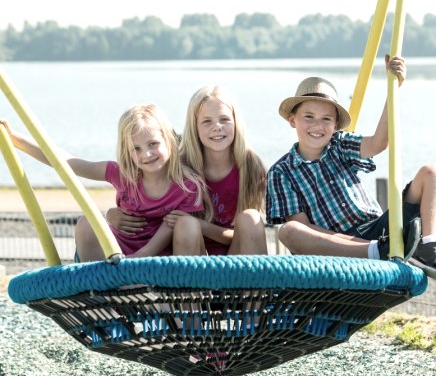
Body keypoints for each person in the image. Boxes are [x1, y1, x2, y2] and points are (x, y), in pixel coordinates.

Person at [266, 55, 436, 286]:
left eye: (326, 119)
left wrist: (393, 88)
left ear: (335, 126)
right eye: (309, 117)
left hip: (380, 230)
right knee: (289, 231)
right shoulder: (281, 171)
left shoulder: (339, 145)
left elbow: (379, 142)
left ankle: (429, 246)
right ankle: (378, 252)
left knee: (432, 172)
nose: (318, 125)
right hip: (337, 246)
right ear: (292, 120)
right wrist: (363, 246)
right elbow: (304, 228)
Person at [1, 103, 207, 261]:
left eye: (153, 144)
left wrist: (141, 257)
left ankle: (179, 307)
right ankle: (99, 299)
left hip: (160, 258)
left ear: (169, 140)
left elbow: (172, 226)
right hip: (119, 254)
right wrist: (16, 140)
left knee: (183, 224)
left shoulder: (187, 185)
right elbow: (68, 162)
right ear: (127, 151)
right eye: (136, 148)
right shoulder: (121, 174)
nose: (147, 154)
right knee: (86, 224)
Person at [106, 85, 268, 255]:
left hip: (236, 257)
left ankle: (258, 281)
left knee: (250, 218)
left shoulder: (251, 166)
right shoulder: (180, 166)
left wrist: (203, 226)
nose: (217, 127)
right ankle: (186, 282)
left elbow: (248, 234)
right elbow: (154, 215)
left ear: (236, 121)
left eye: (225, 119)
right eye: (207, 121)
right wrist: (110, 215)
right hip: (193, 255)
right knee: (186, 225)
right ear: (194, 126)